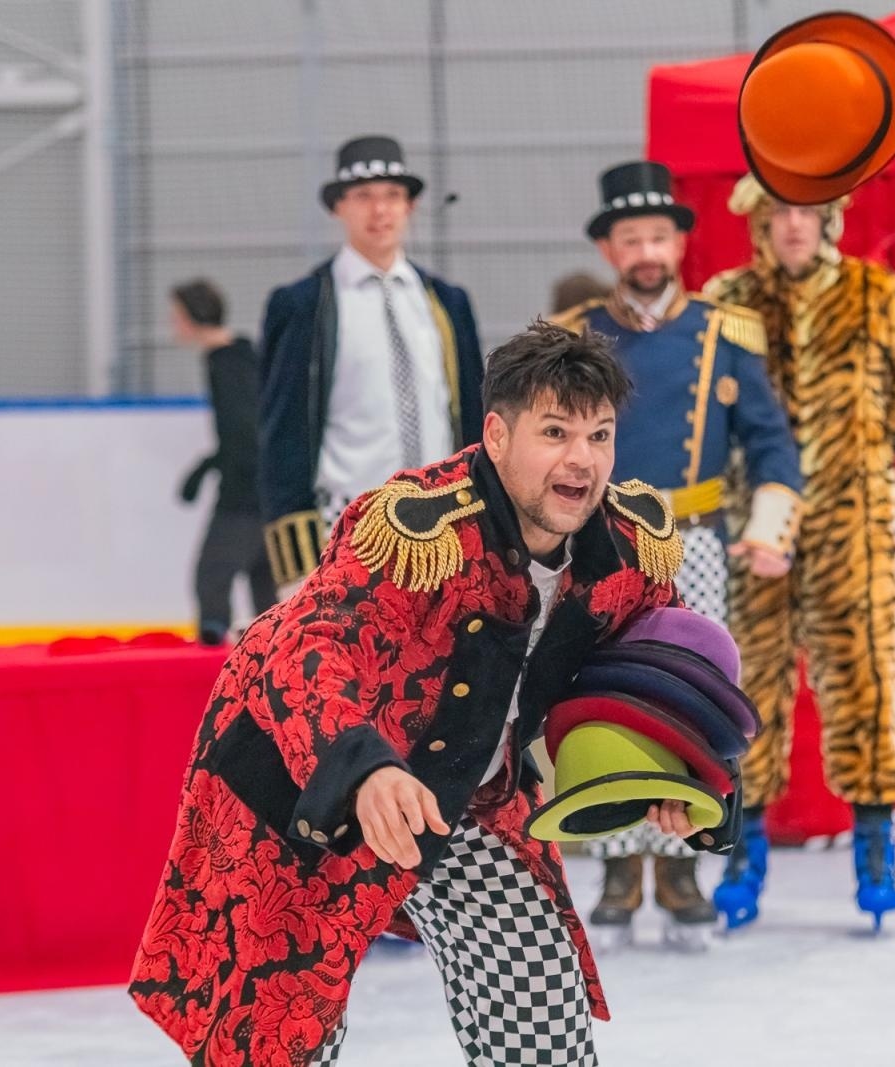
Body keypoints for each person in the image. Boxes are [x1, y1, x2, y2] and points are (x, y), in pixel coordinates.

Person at [131, 321, 735, 1066]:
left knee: (540, 1010)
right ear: (497, 434)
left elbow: (659, 672)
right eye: (555, 432)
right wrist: (366, 769)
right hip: (304, 780)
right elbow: (306, 648)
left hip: (469, 796)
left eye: (599, 435)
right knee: (270, 1041)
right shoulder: (414, 527)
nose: (582, 459)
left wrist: (685, 778)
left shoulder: (628, 548)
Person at [553, 160, 802, 946]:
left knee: (688, 695)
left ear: (679, 244)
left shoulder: (725, 331)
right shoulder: (572, 335)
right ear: (610, 248)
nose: (648, 251)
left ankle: (687, 856)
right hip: (599, 540)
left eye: (659, 235)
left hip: (694, 542)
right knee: (605, 690)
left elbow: (770, 442)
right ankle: (621, 864)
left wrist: (770, 524)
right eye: (632, 239)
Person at [703, 175, 895, 929]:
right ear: (761, 223)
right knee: (748, 685)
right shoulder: (729, 299)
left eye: (808, 212)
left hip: (855, 524)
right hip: (756, 527)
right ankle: (744, 854)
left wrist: (865, 448)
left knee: (867, 679)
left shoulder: (877, 294)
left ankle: (876, 850)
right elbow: (700, 403)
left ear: (830, 220)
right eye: (780, 213)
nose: (795, 226)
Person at [259, 135, 483, 594]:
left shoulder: (445, 301)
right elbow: (282, 430)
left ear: (410, 207)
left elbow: (475, 416)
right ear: (338, 207)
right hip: (345, 517)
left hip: (443, 515)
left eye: (392, 196)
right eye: (363, 197)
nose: (379, 211)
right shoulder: (303, 305)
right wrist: (297, 560)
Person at [170, 279, 277, 644]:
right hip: (262, 486)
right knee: (263, 577)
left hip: (244, 492)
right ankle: (270, 649)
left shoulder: (227, 364)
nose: (174, 325)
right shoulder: (240, 356)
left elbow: (242, 430)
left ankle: (213, 652)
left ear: (191, 317)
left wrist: (221, 474)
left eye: (177, 316)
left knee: (212, 575)